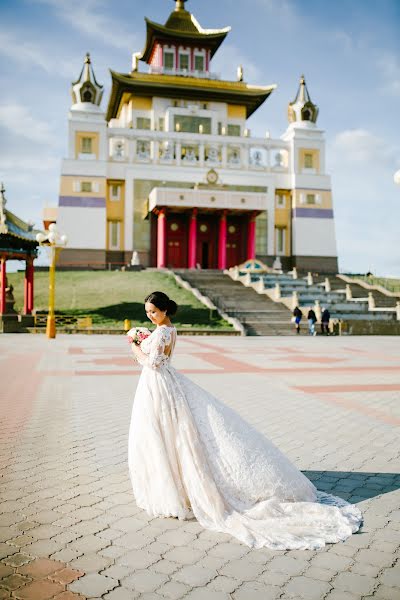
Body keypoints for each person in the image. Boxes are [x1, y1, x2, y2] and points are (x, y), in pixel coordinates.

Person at [128, 291, 362, 550]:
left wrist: (135, 346)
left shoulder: (161, 332)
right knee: (171, 433)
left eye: (153, 311)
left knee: (165, 433)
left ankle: (178, 486)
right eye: (147, 312)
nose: (150, 316)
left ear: (164, 310)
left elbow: (155, 364)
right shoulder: (169, 330)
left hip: (159, 383)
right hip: (164, 385)